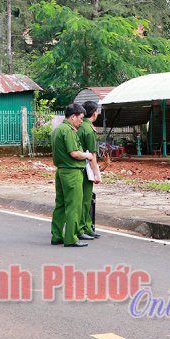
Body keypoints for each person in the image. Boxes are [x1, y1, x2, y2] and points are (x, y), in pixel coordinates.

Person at [50, 103, 94, 247]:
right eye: (80, 118)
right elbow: (74, 153)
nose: (82, 121)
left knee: (61, 205)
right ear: (73, 116)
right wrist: (87, 156)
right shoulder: (68, 131)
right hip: (72, 172)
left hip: (61, 171)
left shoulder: (57, 130)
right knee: (74, 205)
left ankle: (57, 235)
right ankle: (71, 238)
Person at [76, 100, 102, 241]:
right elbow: (92, 155)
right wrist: (97, 173)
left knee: (80, 199)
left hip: (76, 167)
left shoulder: (78, 127)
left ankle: (84, 226)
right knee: (85, 200)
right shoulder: (88, 130)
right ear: (94, 113)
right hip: (85, 168)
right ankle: (83, 227)